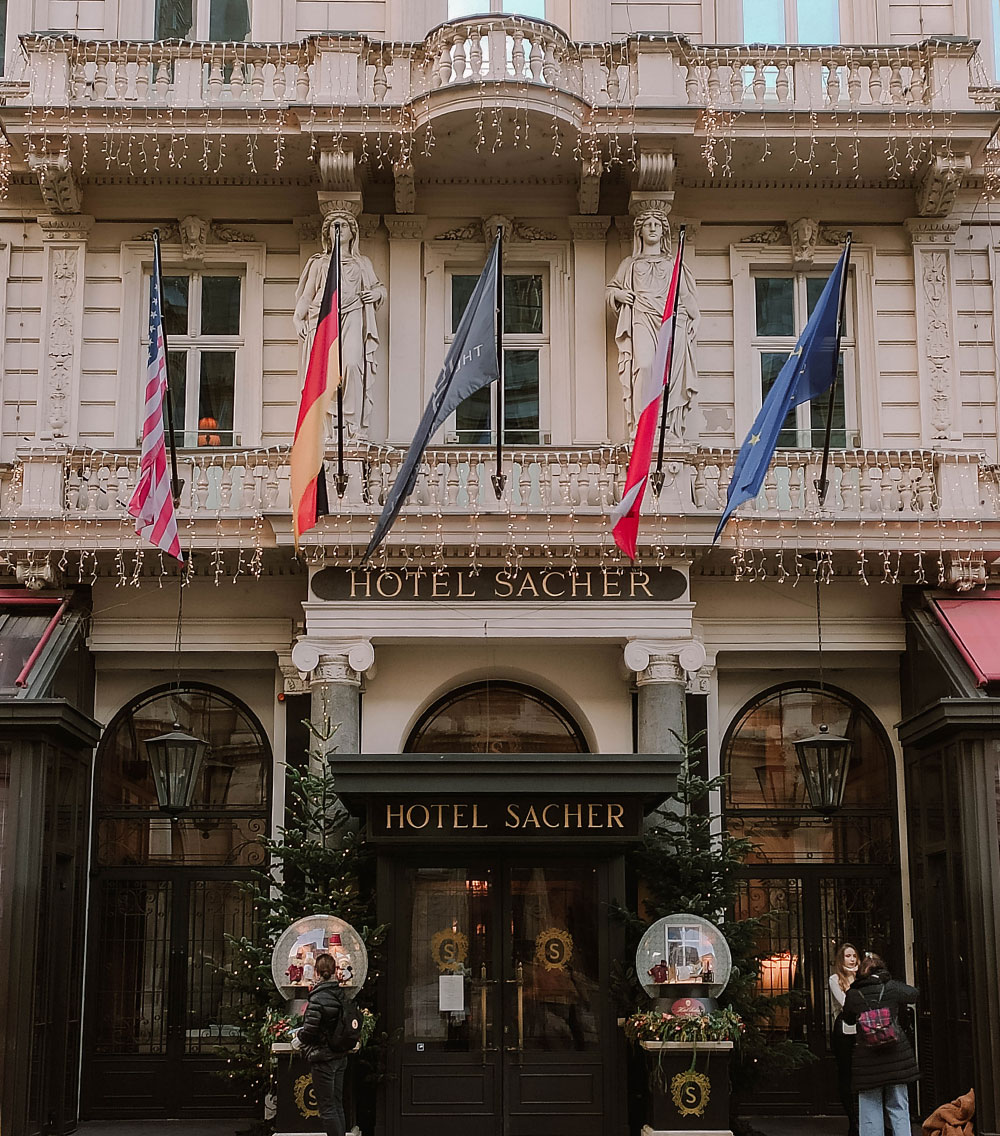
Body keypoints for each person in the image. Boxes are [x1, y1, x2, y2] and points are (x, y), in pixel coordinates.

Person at [606, 208, 699, 438]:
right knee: (645, 365)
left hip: (672, 321)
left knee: (669, 373)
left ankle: (664, 426)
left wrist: (696, 316)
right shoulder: (630, 264)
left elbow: (684, 294)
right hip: (642, 316)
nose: (653, 228)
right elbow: (612, 288)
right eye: (648, 224)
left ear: (664, 231)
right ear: (640, 231)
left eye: (657, 224)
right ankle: (644, 423)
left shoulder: (672, 264)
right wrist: (617, 296)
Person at [293, 211, 386, 441]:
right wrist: (297, 318)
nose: (339, 228)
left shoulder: (362, 263)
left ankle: (352, 427)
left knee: (353, 364)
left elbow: (380, 288)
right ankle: (326, 431)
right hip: (323, 319)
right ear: (327, 233)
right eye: (334, 225)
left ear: (352, 232)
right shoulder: (320, 263)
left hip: (353, 314)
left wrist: (374, 294)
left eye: (344, 224)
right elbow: (306, 296)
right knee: (324, 373)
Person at [842, 953, 919, 1136]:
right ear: (882, 969)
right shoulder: (891, 987)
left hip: (867, 1060)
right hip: (896, 1056)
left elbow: (849, 1020)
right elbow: (914, 994)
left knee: (870, 1108)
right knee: (898, 1106)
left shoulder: (853, 994)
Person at [295, 952, 350, 1136]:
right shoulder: (341, 995)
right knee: (337, 1104)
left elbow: (310, 1030)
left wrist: (299, 1037)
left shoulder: (317, 998)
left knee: (327, 1108)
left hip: (323, 1057)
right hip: (340, 1055)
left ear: (316, 973)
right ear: (335, 971)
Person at [830, 942, 861, 1136]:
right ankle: (853, 1120)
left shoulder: (862, 979)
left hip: (863, 1030)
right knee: (846, 1074)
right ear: (841, 960)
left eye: (854, 956)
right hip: (844, 1032)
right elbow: (846, 1004)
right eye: (848, 956)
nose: (851, 959)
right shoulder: (835, 979)